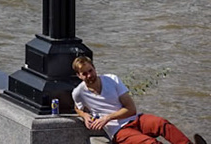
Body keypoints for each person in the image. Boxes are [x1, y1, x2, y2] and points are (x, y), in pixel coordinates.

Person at [70, 54, 203, 144]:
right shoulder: (78, 92)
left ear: (95, 68)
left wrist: (107, 118)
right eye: (84, 74)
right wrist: (84, 115)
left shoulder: (112, 79)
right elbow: (77, 107)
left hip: (135, 119)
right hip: (118, 131)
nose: (89, 75)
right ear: (79, 76)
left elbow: (131, 109)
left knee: (162, 124)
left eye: (90, 71)